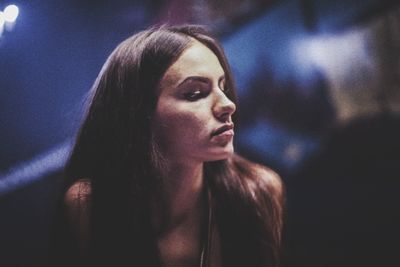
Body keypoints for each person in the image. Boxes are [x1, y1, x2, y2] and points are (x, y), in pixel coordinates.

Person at [53, 25, 284, 267]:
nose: (228, 104)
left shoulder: (258, 192)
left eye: (223, 87)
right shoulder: (90, 206)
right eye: (195, 93)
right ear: (139, 115)